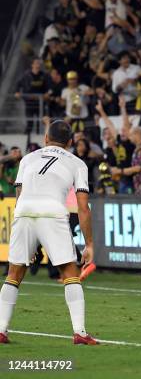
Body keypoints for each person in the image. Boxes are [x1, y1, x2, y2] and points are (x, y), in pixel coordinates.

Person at [0, 120, 97, 345]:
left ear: (46, 138)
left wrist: (30, 239)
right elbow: (83, 207)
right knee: (70, 272)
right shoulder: (77, 163)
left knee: (14, 273)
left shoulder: (27, 158)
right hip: (53, 213)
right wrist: (89, 244)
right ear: (71, 142)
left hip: (23, 212)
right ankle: (80, 333)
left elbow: (19, 195)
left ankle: (1, 329)